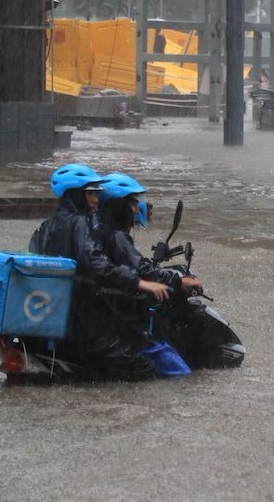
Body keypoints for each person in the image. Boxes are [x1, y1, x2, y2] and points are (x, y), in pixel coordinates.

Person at [29, 163, 170, 380]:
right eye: (91, 193)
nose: (96, 200)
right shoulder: (79, 223)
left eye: (97, 193)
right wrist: (138, 283)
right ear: (76, 195)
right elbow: (96, 263)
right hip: (86, 321)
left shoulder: (45, 227)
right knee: (147, 372)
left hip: (55, 315)